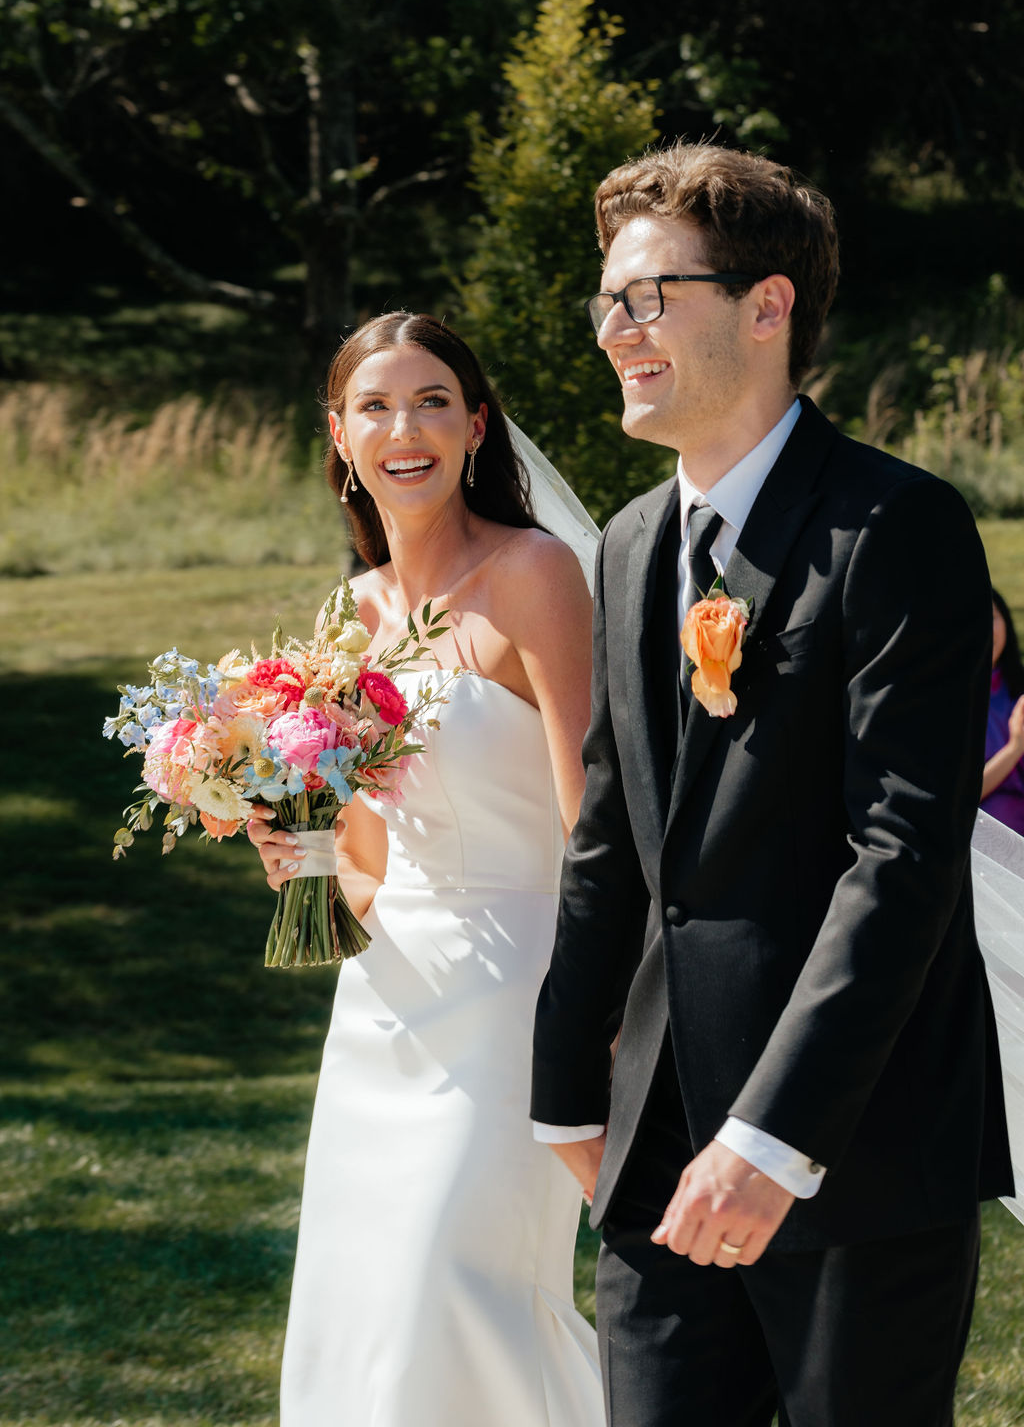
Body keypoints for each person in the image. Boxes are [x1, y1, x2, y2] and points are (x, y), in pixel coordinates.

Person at [531, 141, 1014, 1427]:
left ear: (767, 303)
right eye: (606, 305)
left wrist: (769, 1140)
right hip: (653, 1157)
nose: (614, 333)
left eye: (646, 298)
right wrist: (563, 1088)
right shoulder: (632, 546)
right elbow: (611, 838)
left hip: (848, 1150)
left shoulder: (894, 526)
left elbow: (900, 857)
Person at [248, 312, 604, 1427]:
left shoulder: (536, 575)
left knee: (457, 1293)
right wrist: (293, 852)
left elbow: (595, 823)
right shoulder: (348, 616)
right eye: (376, 406)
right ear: (339, 438)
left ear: (475, 425)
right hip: (384, 1002)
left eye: (433, 401)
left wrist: (597, 1017)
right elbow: (367, 860)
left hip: (514, 996)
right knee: (364, 1305)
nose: (405, 428)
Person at [982, 588, 1024, 833]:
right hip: (982, 849)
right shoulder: (945, 703)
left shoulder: (1017, 688)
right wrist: (1015, 748)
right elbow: (960, 797)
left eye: (992, 617)